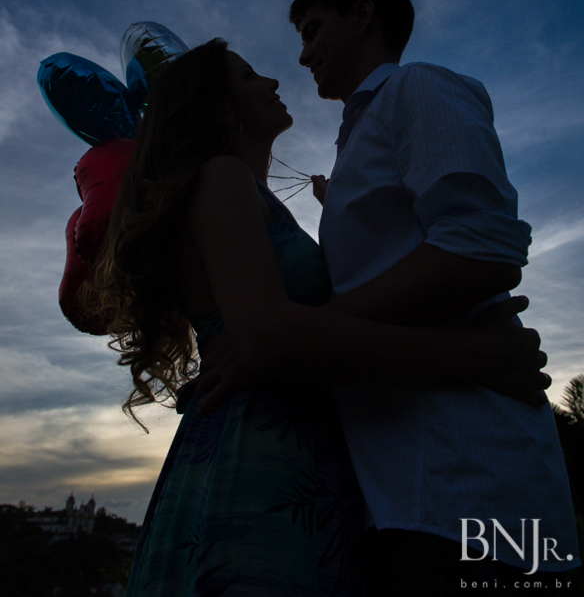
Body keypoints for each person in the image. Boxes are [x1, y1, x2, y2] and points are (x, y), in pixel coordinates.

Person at [89, 37, 549, 597]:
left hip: (298, 443)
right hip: (259, 447)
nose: (273, 82)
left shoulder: (247, 192)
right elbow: (270, 339)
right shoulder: (221, 176)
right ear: (218, 107)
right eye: (250, 76)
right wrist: (476, 356)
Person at [287, 0, 580, 594]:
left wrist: (309, 335)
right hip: (398, 498)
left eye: (312, 31)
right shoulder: (359, 138)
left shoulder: (416, 88)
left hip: (464, 490)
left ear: (362, 14)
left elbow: (483, 245)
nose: (304, 54)